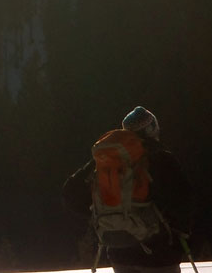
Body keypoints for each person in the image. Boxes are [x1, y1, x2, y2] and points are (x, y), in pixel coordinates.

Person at [62, 106, 193, 273]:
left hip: (119, 252)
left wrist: (102, 217)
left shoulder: (106, 160)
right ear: (151, 129)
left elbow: (70, 192)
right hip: (159, 253)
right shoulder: (161, 157)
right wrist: (178, 232)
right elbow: (184, 200)